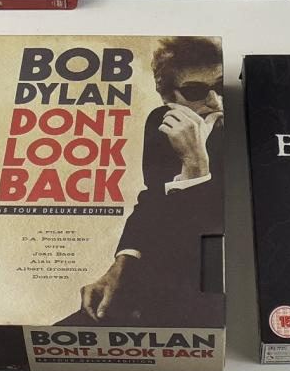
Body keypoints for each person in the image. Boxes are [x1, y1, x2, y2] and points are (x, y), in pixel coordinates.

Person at [70, 37, 225, 326]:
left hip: (211, 287)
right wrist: (121, 265)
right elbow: (154, 196)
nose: (215, 100)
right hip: (156, 278)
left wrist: (195, 164)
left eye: (221, 85)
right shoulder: (162, 121)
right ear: (167, 97)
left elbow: (211, 242)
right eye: (195, 91)